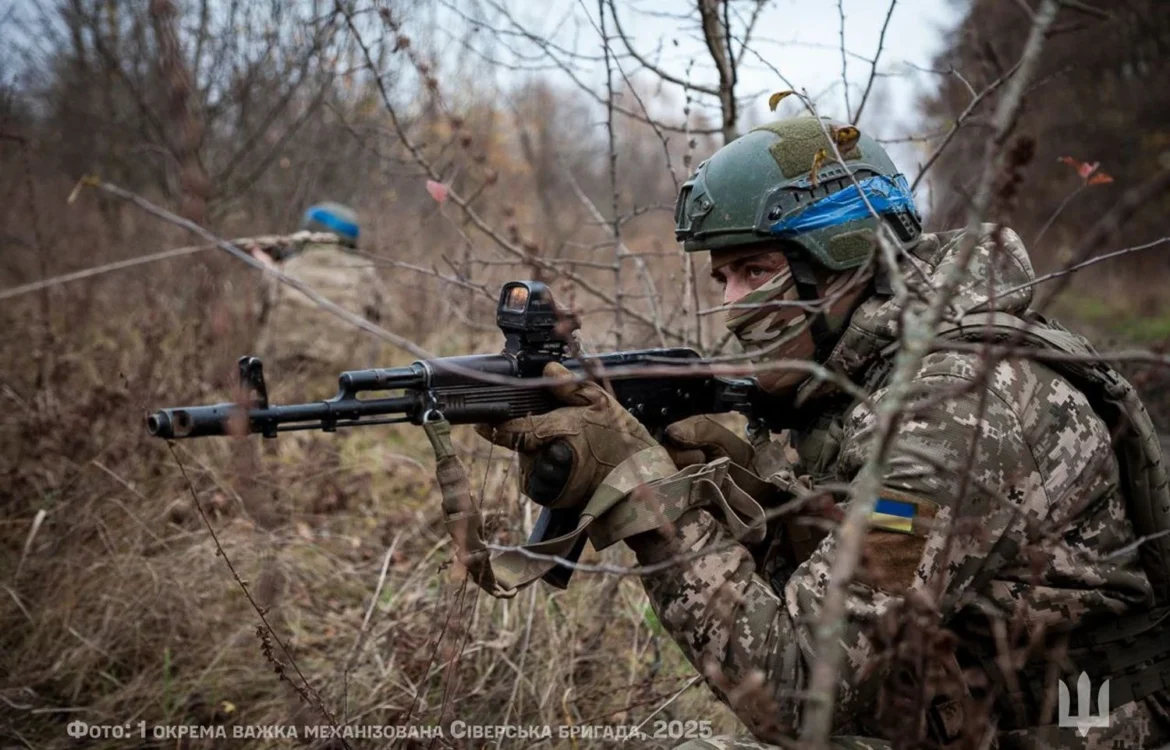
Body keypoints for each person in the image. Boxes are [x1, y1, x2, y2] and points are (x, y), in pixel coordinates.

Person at [459, 117, 1170, 748]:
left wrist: (647, 495)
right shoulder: (869, 370)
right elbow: (845, 555)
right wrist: (711, 468)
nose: (734, 307)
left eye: (757, 269)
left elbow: (803, 694)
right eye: (723, 278)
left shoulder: (951, 413)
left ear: (846, 256)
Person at [251, 202, 385, 381]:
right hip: (345, 373)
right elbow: (381, 316)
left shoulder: (282, 270)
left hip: (283, 371)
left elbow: (259, 314)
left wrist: (269, 269)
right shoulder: (364, 271)